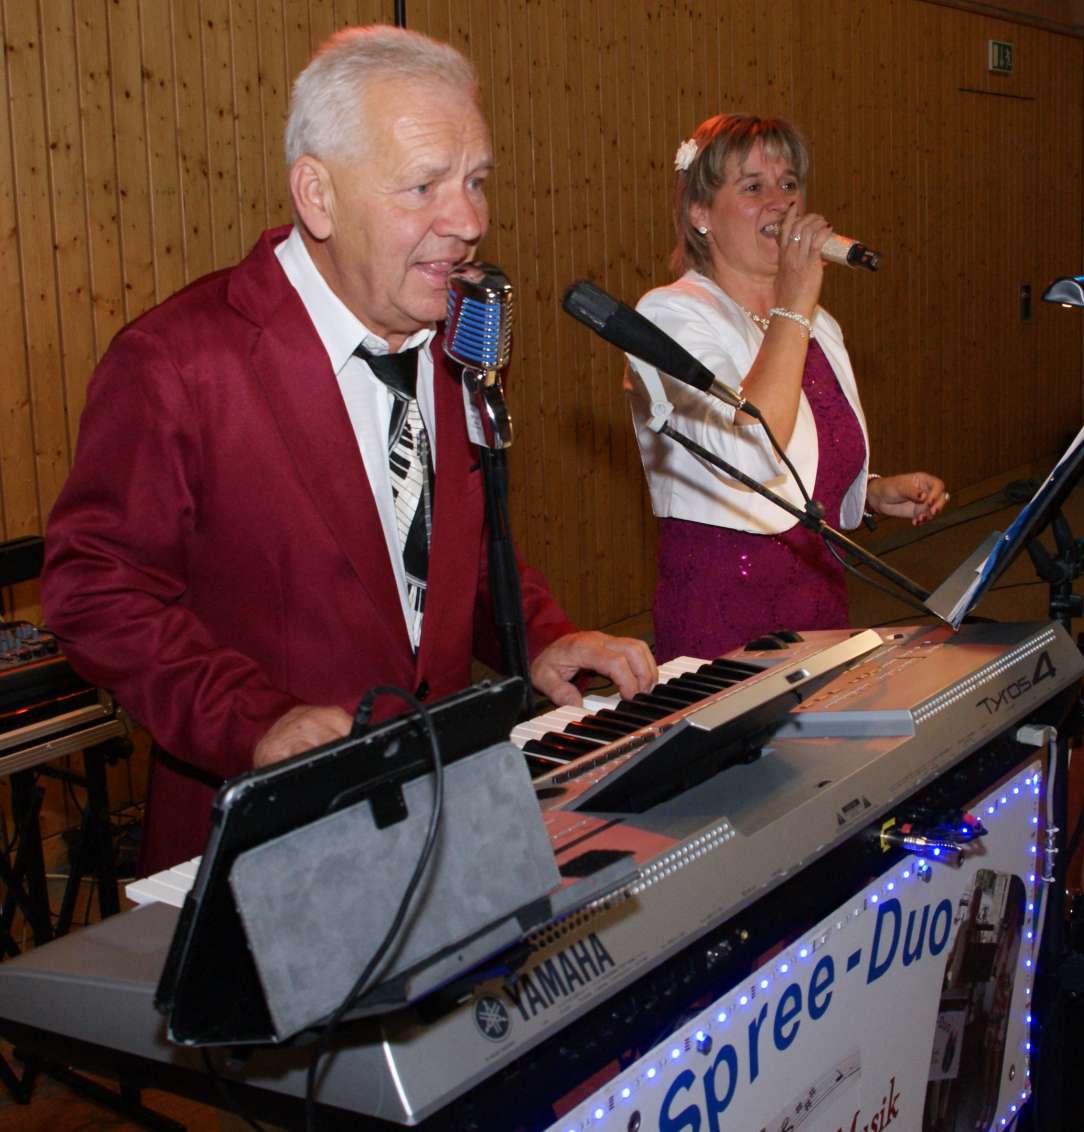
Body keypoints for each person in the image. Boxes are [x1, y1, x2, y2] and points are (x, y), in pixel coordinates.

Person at [40, 26, 655, 875]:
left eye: (476, 182)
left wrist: (537, 634)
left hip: (441, 826)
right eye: (423, 186)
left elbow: (449, 556)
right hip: (265, 856)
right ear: (317, 197)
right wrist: (254, 721)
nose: (469, 221)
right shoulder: (178, 362)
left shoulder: (456, 342)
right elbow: (96, 594)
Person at [624, 113, 948, 661]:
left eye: (789, 183)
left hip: (818, 601)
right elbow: (751, 452)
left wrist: (867, 491)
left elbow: (800, 460)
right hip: (725, 613)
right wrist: (793, 305)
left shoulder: (816, 324)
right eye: (754, 187)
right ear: (700, 213)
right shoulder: (670, 314)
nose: (781, 202)